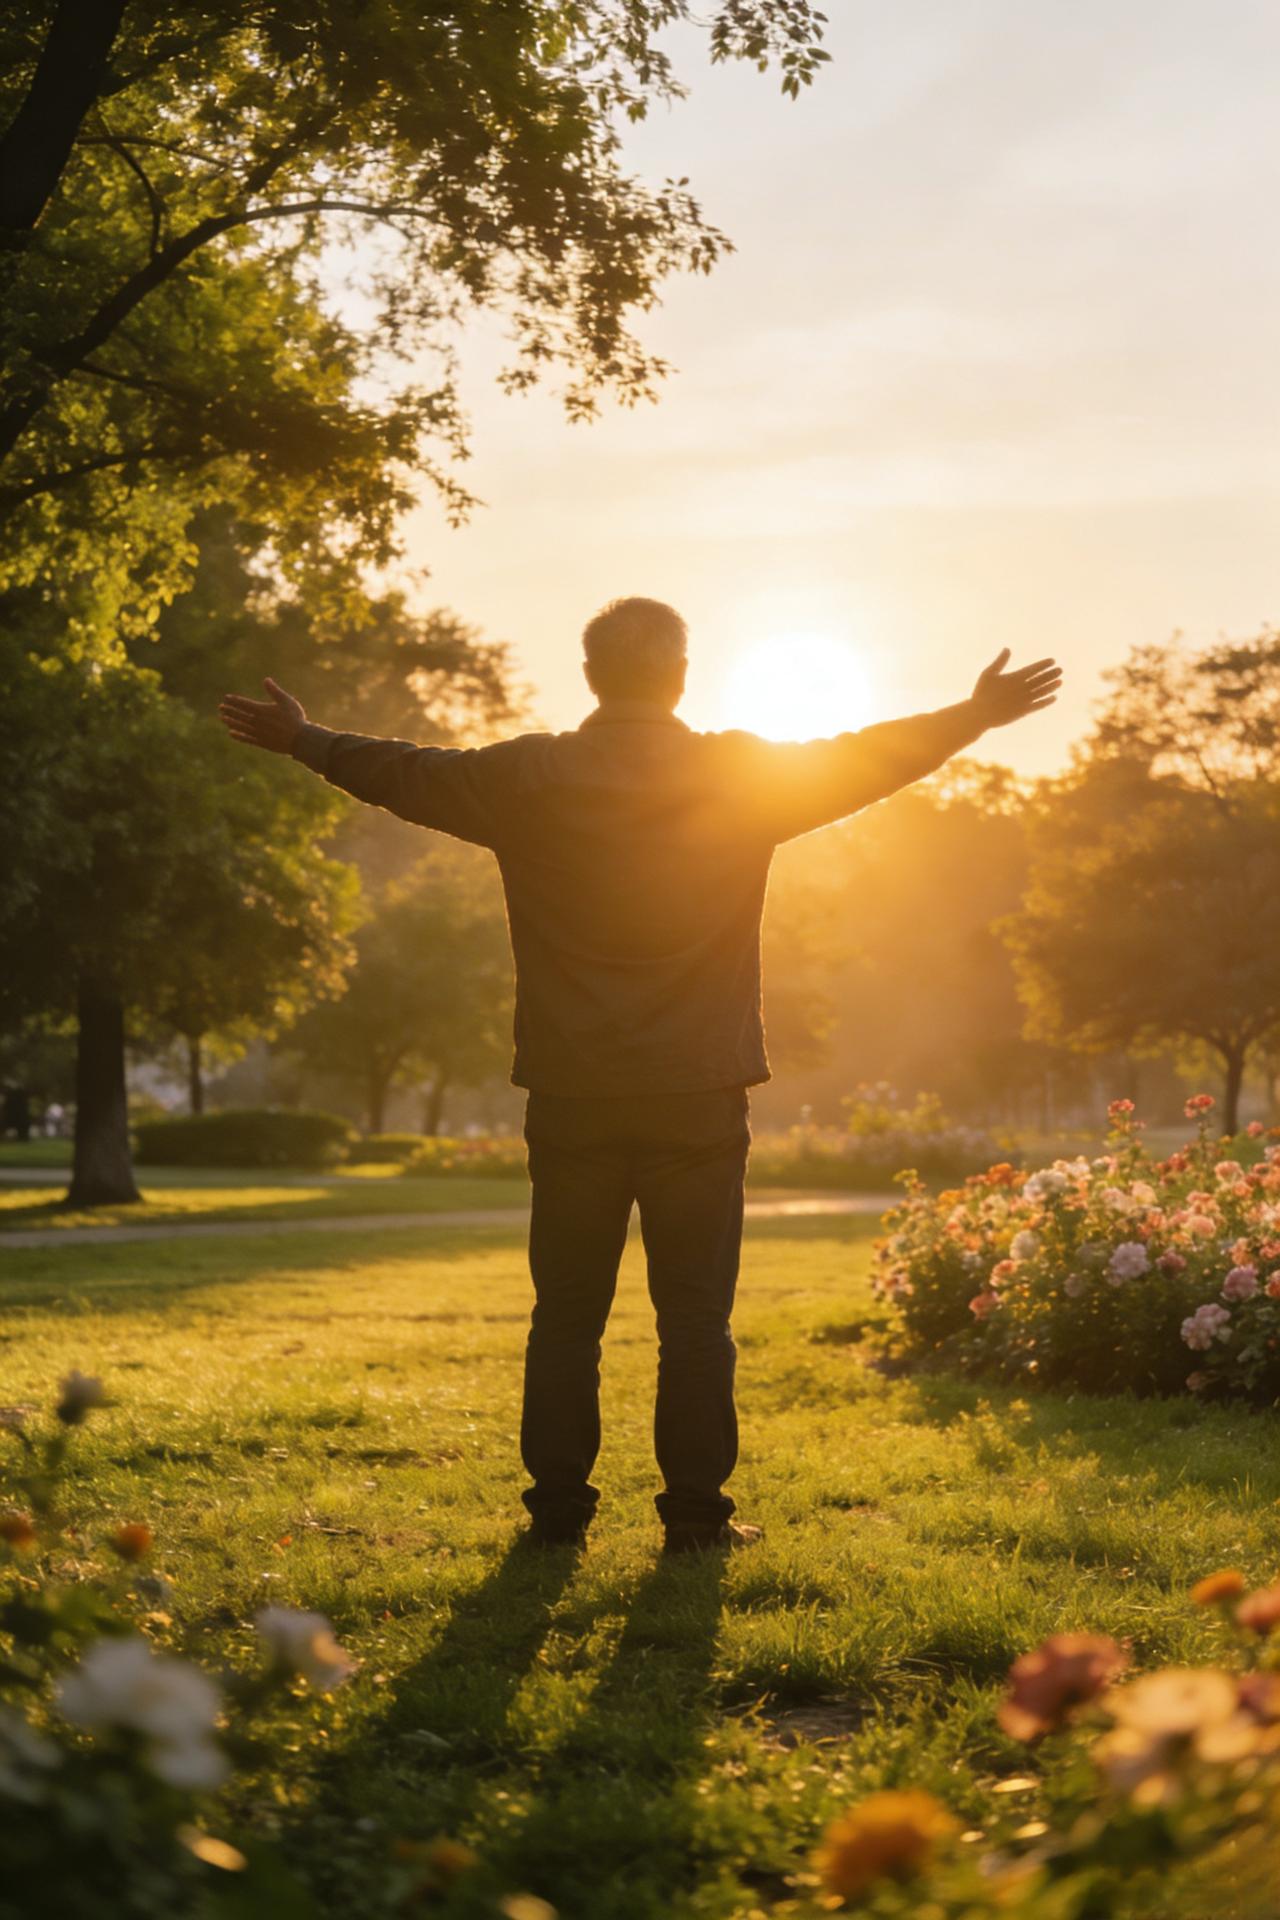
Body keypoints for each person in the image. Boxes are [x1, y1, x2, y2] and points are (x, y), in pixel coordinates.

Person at [220, 600, 1061, 1553]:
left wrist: (306, 740)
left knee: (566, 1316)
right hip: (699, 1094)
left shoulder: (526, 776)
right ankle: (697, 1521)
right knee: (696, 1317)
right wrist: (969, 717)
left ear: (591, 675)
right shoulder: (737, 776)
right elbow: (863, 756)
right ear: (681, 674)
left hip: (573, 1095)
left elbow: (404, 774)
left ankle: (556, 1521)